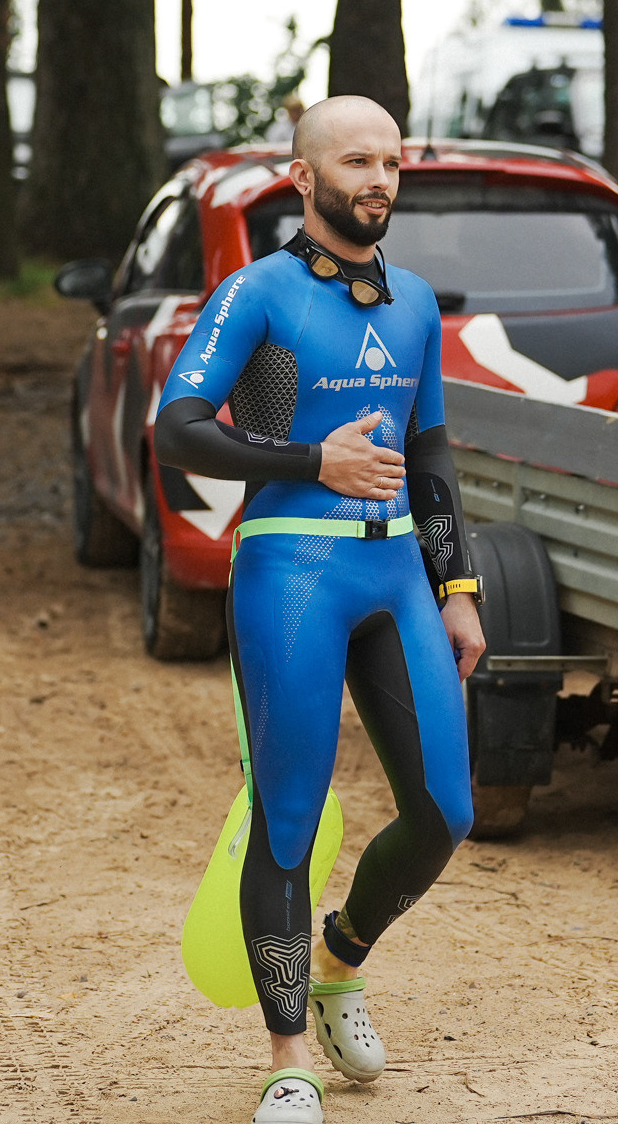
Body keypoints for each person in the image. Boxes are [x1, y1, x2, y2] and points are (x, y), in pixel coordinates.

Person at [153, 94, 487, 1124]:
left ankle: (341, 957)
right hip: (289, 569)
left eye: (391, 163)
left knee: (444, 813)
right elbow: (180, 427)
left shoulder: (417, 305)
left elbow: (428, 455)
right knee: (289, 816)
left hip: (395, 579)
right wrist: (311, 459)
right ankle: (288, 1055)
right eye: (357, 163)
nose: (379, 180)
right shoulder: (259, 294)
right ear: (304, 177)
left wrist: (458, 589)